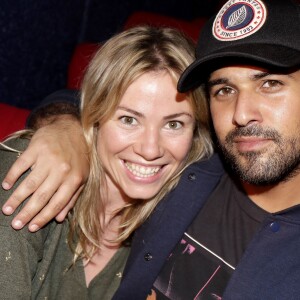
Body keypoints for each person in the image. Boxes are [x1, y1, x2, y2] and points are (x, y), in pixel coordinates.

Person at [2, 0, 300, 298]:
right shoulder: (194, 174)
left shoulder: (183, 174)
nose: (242, 113)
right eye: (224, 90)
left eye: (271, 84)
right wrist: (66, 126)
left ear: (193, 130)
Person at [0, 26, 214, 299]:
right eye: (129, 119)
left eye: (173, 124)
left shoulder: (186, 223)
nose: (150, 149)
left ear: (195, 132)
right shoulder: (32, 171)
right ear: (95, 116)